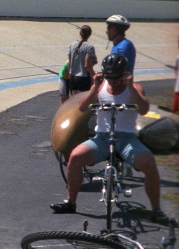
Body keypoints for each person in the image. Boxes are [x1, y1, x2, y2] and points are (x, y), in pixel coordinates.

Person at [50, 53, 166, 223]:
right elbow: (82, 107)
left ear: (124, 74)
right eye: (109, 77)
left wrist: (130, 87)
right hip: (102, 138)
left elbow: (143, 109)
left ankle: (156, 210)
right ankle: (70, 201)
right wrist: (95, 87)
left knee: (149, 163)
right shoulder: (101, 87)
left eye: (116, 78)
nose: (112, 81)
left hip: (126, 139)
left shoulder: (134, 87)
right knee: (74, 157)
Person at [65, 25, 97, 99]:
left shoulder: (71, 45)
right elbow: (87, 65)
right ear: (90, 34)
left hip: (73, 76)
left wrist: (70, 74)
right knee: (84, 100)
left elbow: (70, 62)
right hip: (83, 77)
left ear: (80, 32)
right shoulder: (89, 47)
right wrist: (94, 75)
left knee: (75, 101)